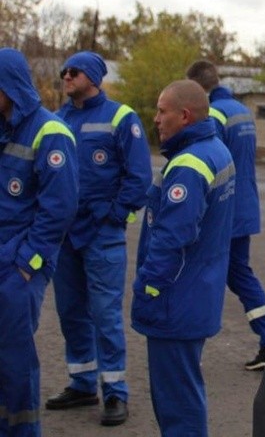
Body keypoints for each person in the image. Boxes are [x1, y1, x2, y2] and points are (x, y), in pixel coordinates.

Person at [45, 51, 152, 426]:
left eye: (73, 71)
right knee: (70, 311)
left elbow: (140, 178)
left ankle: (115, 392)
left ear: (92, 75)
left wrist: (112, 216)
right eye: (64, 71)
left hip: (101, 236)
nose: (66, 76)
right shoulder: (57, 121)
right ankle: (82, 382)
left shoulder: (121, 118)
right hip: (65, 236)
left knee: (105, 314)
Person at [132, 80, 235, 437]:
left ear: (185, 116)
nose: (156, 119)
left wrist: (149, 289)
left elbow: (171, 239)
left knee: (177, 404)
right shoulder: (215, 149)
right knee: (184, 393)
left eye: (162, 111)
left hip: (175, 299)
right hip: (197, 292)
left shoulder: (189, 165)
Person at [0, 48, 79, 437]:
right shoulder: (2, 125)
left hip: (19, 267)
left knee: (15, 357)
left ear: (8, 87)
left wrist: (27, 264)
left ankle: (22, 431)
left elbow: (59, 210)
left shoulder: (51, 133)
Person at [185, 60, 265, 370]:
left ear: (198, 88)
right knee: (237, 272)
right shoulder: (240, 110)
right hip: (244, 203)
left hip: (225, 210)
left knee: (207, 273)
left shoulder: (215, 114)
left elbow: (211, 163)